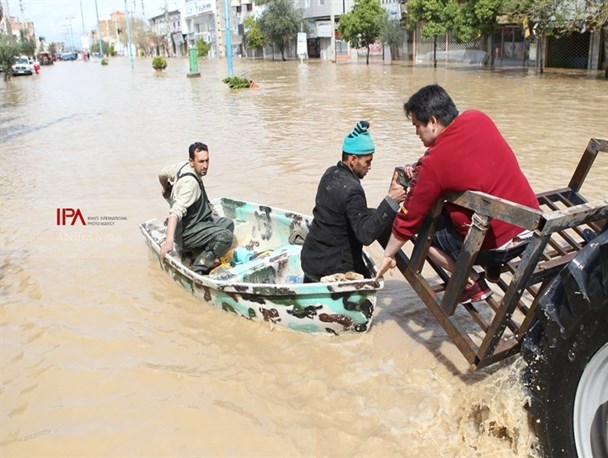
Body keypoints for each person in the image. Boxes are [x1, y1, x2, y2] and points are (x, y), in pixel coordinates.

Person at [376, 84, 539, 303]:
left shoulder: (433, 163)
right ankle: (492, 271)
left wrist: (388, 254)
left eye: (417, 126)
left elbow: (408, 218)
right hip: (529, 230)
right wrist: (420, 167)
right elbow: (464, 160)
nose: (416, 133)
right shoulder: (479, 118)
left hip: (494, 247)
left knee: (421, 226)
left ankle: (470, 282)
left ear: (433, 122)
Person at [301, 121, 407, 283]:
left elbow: (355, 214)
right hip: (331, 268)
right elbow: (365, 235)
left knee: (372, 214)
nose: (370, 167)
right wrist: (392, 200)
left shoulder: (330, 174)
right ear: (353, 159)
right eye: (367, 162)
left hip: (310, 260)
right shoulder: (353, 190)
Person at [159, 142, 236, 275]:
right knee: (226, 237)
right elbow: (175, 213)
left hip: (196, 222)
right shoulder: (190, 185)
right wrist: (169, 241)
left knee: (228, 224)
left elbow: (162, 174)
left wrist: (166, 189)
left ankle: (202, 252)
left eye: (207, 160)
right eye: (201, 161)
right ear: (191, 161)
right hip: (186, 233)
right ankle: (198, 268)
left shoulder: (182, 166)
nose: (205, 165)